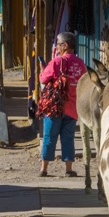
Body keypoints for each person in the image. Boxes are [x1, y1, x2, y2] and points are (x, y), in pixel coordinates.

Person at [38, 32, 87, 177]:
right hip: (72, 107)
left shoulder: (56, 62)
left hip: (55, 107)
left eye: (58, 45)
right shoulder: (80, 63)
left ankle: (44, 168)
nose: (57, 48)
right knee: (68, 138)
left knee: (49, 137)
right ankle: (69, 168)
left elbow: (43, 79)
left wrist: (42, 70)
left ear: (65, 45)